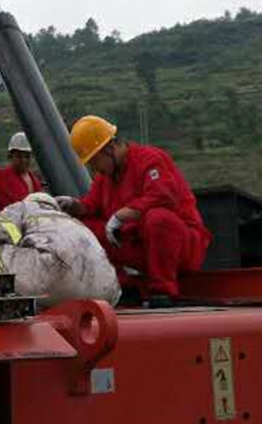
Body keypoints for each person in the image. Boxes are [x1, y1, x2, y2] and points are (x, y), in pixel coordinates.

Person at [61, 115, 212, 306]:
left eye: (94, 161)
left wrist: (123, 214)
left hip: (180, 248)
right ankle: (124, 287)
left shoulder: (150, 159)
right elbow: (90, 205)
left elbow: (163, 197)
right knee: (87, 228)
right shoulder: (106, 177)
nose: (94, 168)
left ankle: (163, 291)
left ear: (108, 149)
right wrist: (73, 206)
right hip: (143, 248)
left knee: (158, 218)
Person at [0, 131, 42, 212]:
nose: (23, 160)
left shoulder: (36, 182)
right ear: (10, 156)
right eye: (19, 156)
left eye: (27, 156)